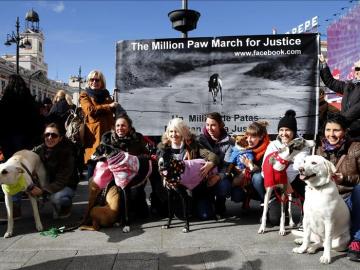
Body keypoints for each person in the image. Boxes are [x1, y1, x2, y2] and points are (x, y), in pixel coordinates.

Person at [316, 113, 360, 262]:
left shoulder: (356, 148)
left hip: (347, 197)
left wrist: (345, 178)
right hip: (327, 198)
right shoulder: (319, 150)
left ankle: (357, 240)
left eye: (336, 130)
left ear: (345, 131)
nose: (331, 134)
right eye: (328, 130)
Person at [157, 118, 219, 220]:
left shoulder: (193, 145)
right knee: (182, 215)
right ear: (167, 133)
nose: (174, 134)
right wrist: (165, 178)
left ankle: (205, 203)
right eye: (171, 131)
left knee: (205, 215)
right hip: (173, 186)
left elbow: (213, 156)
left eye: (176, 131)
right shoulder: (162, 147)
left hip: (194, 188)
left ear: (182, 132)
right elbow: (160, 166)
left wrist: (210, 164)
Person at [0, 74, 42, 220]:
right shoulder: (30, 102)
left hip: (9, 142)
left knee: (12, 173)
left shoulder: (5, 102)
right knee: (29, 171)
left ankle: (16, 207)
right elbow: (37, 122)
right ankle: (37, 198)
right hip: (26, 142)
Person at [97, 114, 151, 218]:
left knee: (135, 196)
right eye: (117, 125)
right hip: (113, 177)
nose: (120, 128)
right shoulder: (108, 140)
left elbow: (146, 155)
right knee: (116, 201)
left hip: (134, 175)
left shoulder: (137, 138)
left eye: (123, 125)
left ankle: (136, 211)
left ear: (129, 127)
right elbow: (100, 157)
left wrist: (134, 160)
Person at [31, 122, 80, 219]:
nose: (49, 138)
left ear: (60, 138)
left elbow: (61, 180)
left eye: (54, 135)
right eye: (47, 134)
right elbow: (28, 154)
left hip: (66, 185)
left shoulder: (67, 153)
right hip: (48, 183)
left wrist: (42, 191)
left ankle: (66, 206)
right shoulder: (41, 149)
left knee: (57, 198)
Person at [79, 70, 117, 179]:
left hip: (108, 140)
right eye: (92, 79)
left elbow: (113, 111)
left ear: (102, 82)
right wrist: (109, 106)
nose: (94, 82)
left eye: (97, 80)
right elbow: (90, 110)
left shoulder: (107, 96)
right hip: (93, 140)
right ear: (88, 81)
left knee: (107, 176)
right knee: (93, 177)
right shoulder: (84, 95)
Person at [263, 110, 309, 199]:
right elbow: (266, 166)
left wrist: (285, 180)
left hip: (294, 180)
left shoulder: (302, 144)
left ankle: (306, 208)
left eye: (287, 130)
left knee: (304, 179)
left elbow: (298, 166)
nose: (284, 134)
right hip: (275, 181)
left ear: (294, 131)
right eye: (281, 130)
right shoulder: (273, 145)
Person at [198, 112, 234, 218]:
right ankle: (207, 201)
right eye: (207, 125)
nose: (210, 128)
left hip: (220, 177)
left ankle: (220, 202)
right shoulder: (199, 140)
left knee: (224, 186)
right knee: (204, 215)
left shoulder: (229, 142)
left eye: (213, 125)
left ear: (220, 125)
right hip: (203, 178)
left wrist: (218, 177)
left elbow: (228, 165)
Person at [319, 54, 360, 138]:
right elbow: (331, 82)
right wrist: (323, 63)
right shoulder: (350, 85)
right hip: (343, 128)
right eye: (357, 68)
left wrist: (339, 122)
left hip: (355, 130)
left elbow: (356, 109)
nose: (357, 71)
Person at [230, 121, 270, 204]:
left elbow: (265, 171)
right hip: (244, 181)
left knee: (257, 177)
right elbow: (232, 162)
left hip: (263, 184)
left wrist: (250, 165)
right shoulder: (242, 144)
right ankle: (245, 198)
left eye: (253, 137)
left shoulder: (268, 148)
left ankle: (265, 201)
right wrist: (235, 169)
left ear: (261, 136)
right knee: (236, 195)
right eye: (247, 136)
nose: (249, 140)